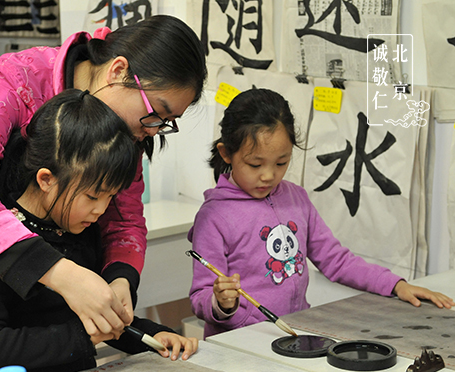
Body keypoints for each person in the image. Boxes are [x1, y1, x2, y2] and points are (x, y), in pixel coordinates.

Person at [0, 15, 206, 372]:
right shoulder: (15, 78)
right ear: (119, 70)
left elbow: (125, 221)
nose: (152, 130)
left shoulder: (127, 130)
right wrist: (60, 273)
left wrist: (120, 280)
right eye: (155, 113)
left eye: (167, 122)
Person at [0, 89, 198, 372]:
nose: (100, 210)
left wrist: (153, 336)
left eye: (110, 197)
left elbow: (103, 322)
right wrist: (83, 337)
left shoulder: (82, 229)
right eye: (92, 196)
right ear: (46, 179)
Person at [188, 88, 454, 339]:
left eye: (282, 163)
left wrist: (395, 285)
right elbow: (201, 296)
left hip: (292, 333)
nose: (269, 175)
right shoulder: (214, 217)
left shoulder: (296, 198)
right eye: (255, 164)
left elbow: (336, 260)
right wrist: (220, 303)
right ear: (226, 153)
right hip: (239, 344)